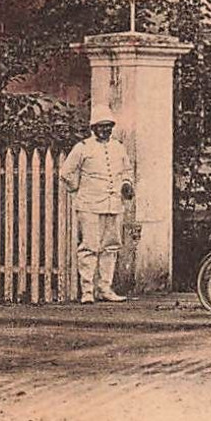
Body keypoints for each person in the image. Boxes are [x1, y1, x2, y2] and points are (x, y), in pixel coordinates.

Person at [59, 106, 134, 303]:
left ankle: (105, 289)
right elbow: (66, 172)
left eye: (108, 126)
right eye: (101, 127)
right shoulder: (83, 148)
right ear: (93, 128)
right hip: (89, 204)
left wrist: (126, 184)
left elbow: (127, 171)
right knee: (90, 247)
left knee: (110, 246)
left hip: (114, 204)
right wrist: (78, 188)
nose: (105, 130)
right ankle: (87, 291)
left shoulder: (118, 147)